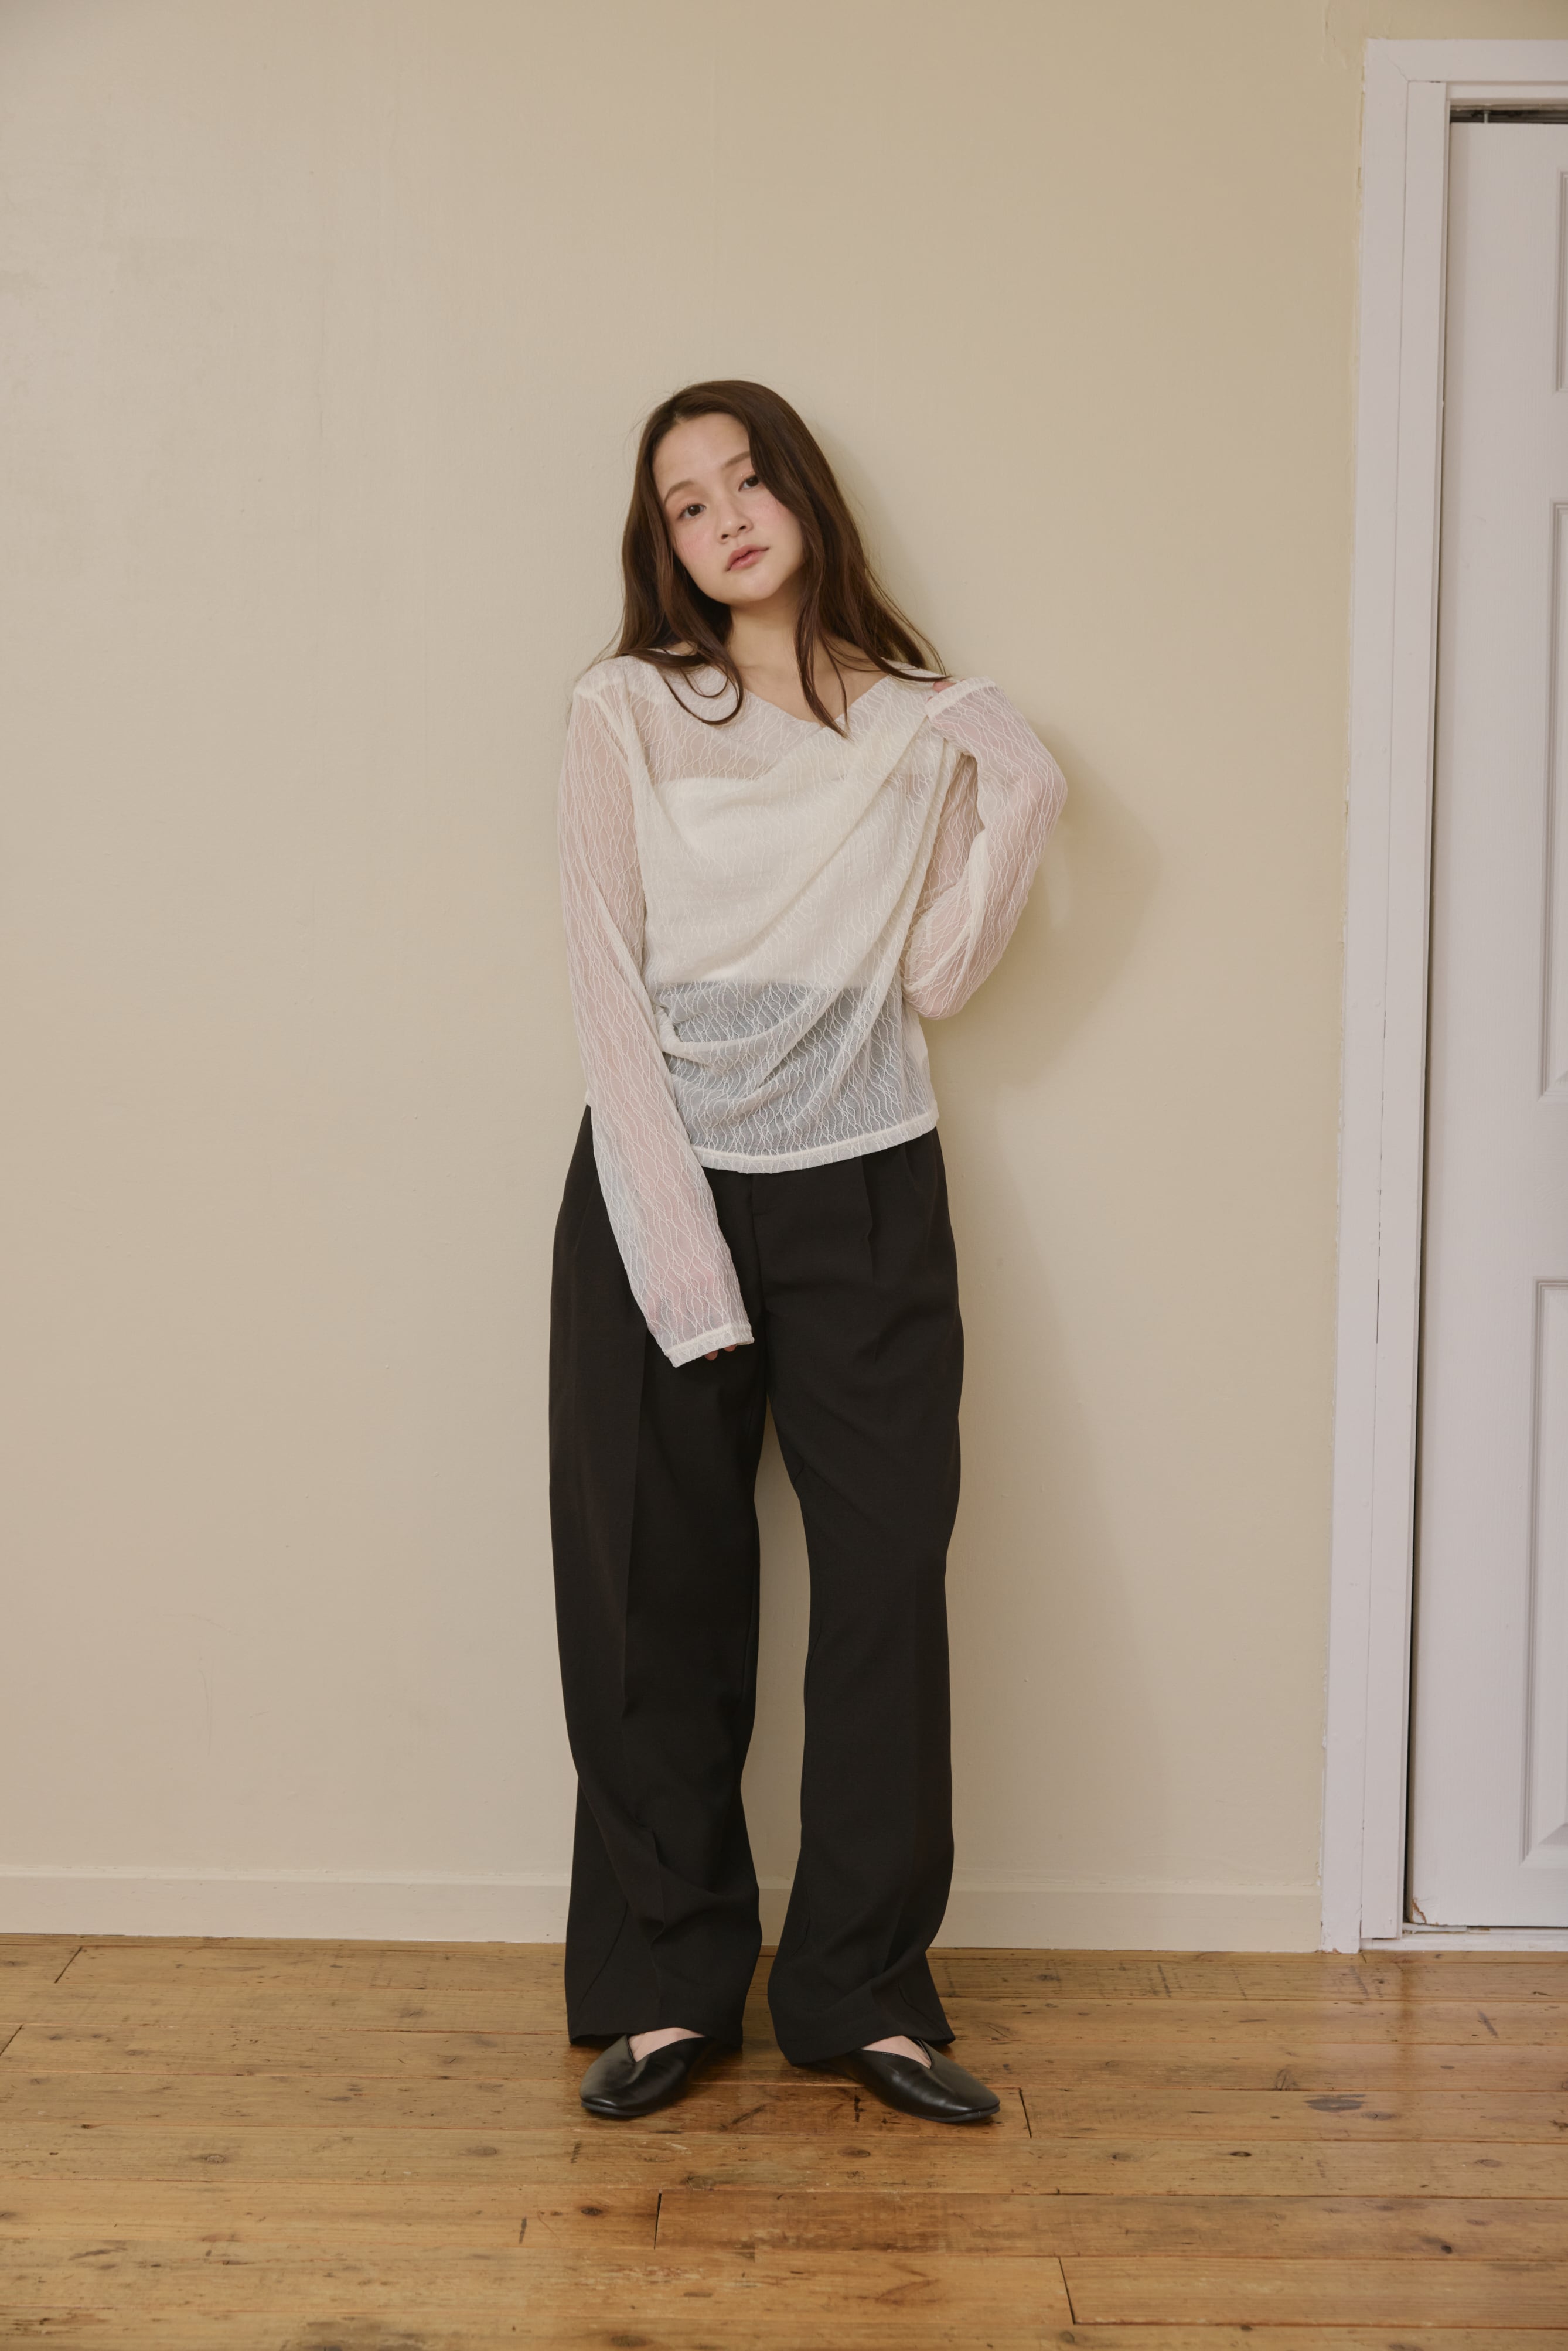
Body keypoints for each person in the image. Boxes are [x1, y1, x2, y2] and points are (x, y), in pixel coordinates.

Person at [550, 379, 1065, 2124]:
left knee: (885, 1588)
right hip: (660, 1172)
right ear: (666, 546)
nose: (724, 519)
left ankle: (864, 1993)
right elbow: (603, 979)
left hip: (867, 1182)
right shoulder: (626, 707)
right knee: (654, 1594)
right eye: (686, 504)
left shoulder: (912, 726)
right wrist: (681, 1251)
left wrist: (1017, 781)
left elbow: (933, 979)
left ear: (802, 493)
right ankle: (666, 1983)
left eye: (746, 479)